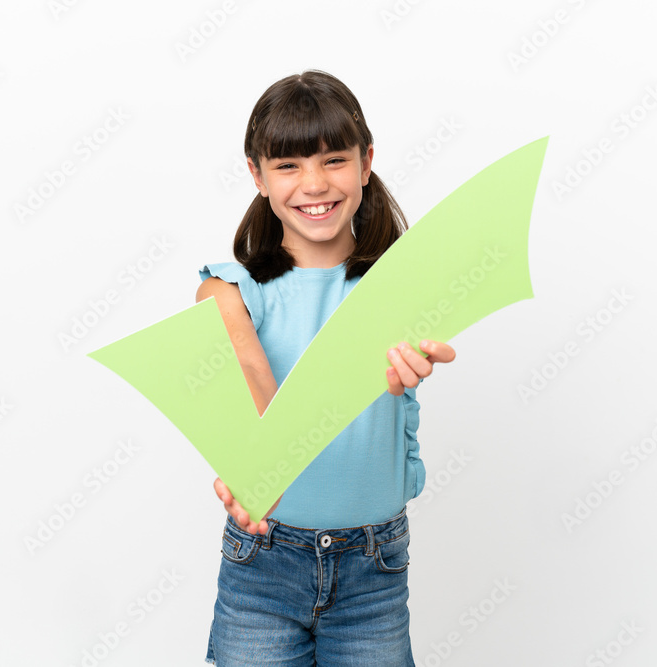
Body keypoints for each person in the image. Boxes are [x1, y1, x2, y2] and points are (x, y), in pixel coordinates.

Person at [196, 69, 456, 666]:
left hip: (374, 569)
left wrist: (420, 356)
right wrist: (255, 471)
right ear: (257, 176)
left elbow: (422, 354)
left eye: (334, 159)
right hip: (262, 568)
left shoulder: (399, 288)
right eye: (287, 166)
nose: (314, 183)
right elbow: (246, 380)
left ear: (367, 163)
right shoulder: (231, 291)